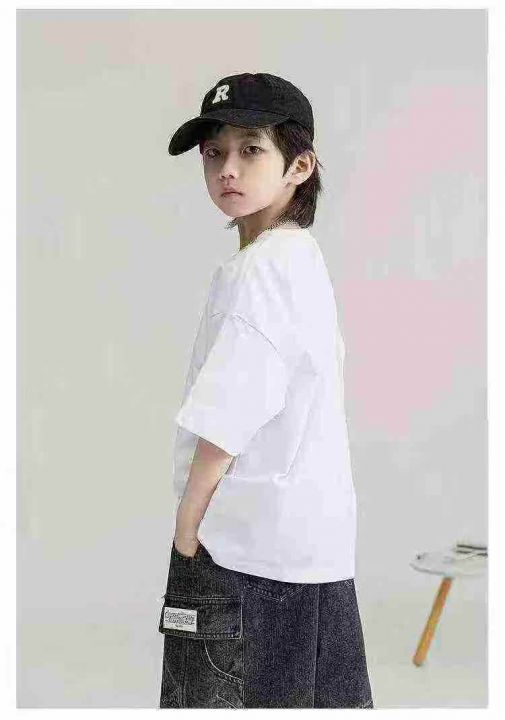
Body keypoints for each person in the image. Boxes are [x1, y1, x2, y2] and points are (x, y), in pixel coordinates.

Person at [158, 72, 374, 709]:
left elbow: (232, 408)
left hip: (244, 548)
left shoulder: (262, 269)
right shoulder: (300, 257)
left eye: (251, 149)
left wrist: (188, 528)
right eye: (213, 153)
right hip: (310, 547)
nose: (227, 168)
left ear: (299, 166)